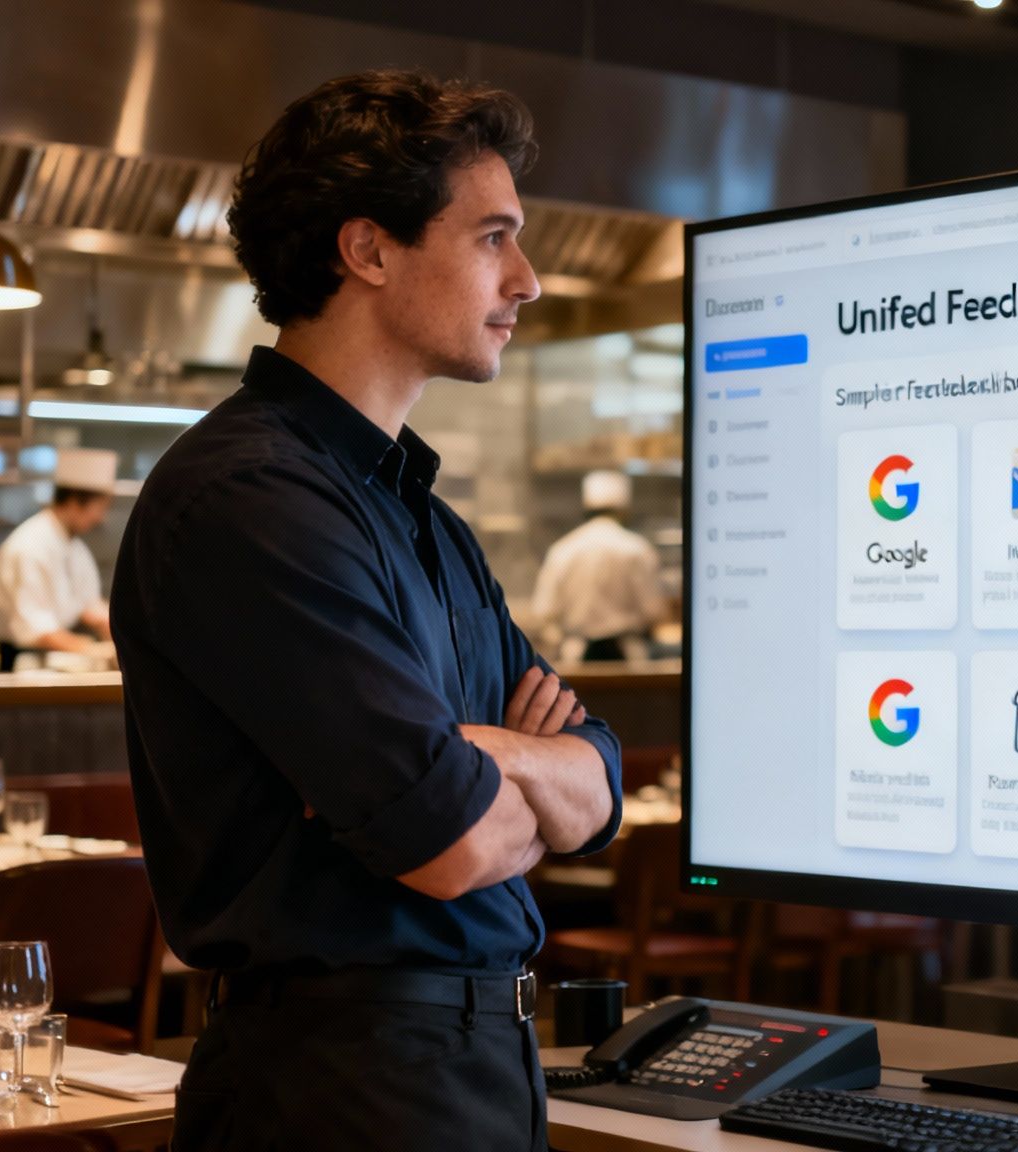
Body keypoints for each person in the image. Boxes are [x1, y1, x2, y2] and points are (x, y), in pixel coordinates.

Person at [112, 70, 620, 1151]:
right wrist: (497, 769)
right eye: (493, 238)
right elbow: (443, 838)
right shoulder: (246, 498)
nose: (526, 281)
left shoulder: (424, 519)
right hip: (337, 1088)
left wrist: (494, 758)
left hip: (471, 1066)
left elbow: (599, 777)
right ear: (369, 250)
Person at [0, 447, 116, 670]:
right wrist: (92, 650)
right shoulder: (29, 547)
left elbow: (90, 606)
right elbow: (36, 630)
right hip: (21, 664)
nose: (101, 518)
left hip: (56, 660)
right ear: (74, 503)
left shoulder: (75, 547)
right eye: (99, 508)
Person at [531, 469, 665, 662]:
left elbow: (544, 610)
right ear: (624, 510)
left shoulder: (563, 550)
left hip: (576, 655)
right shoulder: (637, 549)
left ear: (586, 508)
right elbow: (653, 610)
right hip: (629, 657)